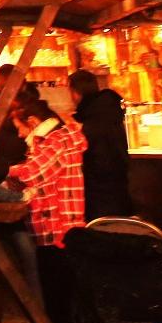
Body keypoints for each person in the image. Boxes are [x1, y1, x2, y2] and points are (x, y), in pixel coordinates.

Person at [5, 98, 89, 323]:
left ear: (32, 122)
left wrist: (1, 172)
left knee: (59, 305)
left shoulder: (57, 141)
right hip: (54, 229)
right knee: (58, 303)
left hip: (59, 231)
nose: (20, 135)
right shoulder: (55, 139)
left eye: (20, 128)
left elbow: (33, 174)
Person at [67, 69, 132, 218]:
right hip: (118, 182)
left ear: (76, 92)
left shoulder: (93, 116)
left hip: (101, 186)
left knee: (105, 228)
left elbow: (93, 146)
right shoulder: (106, 108)